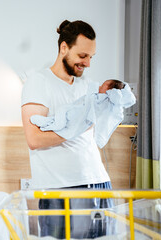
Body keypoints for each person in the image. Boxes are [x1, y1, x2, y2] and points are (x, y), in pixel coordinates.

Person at [21, 20, 115, 238]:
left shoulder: (88, 86)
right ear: (64, 47)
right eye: (83, 56)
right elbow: (34, 138)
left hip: (99, 181)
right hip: (62, 187)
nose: (88, 63)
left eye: (91, 57)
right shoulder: (39, 81)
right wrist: (75, 127)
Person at [30, 79, 136, 148]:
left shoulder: (104, 100)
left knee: (65, 114)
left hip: (79, 116)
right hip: (77, 111)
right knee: (65, 112)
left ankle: (53, 123)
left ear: (110, 91)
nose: (99, 87)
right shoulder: (100, 98)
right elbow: (84, 103)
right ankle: (52, 122)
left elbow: (95, 111)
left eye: (102, 86)